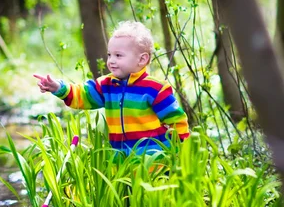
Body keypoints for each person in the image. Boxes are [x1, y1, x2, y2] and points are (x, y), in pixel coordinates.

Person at [34, 21, 189, 156]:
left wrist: (182, 151)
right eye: (109, 55)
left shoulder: (155, 89)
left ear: (142, 59)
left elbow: (177, 120)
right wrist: (59, 88)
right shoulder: (106, 85)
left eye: (118, 55)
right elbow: (83, 95)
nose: (111, 61)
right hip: (121, 161)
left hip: (153, 162)